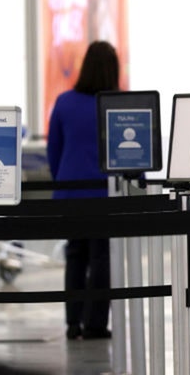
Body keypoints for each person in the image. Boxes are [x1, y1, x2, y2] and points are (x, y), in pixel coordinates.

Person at [46, 40, 119, 341]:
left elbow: (54, 152)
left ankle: (73, 322)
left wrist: (64, 180)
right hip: (104, 195)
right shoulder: (117, 105)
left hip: (71, 194)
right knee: (101, 257)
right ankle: (95, 325)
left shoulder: (64, 102)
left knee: (75, 255)